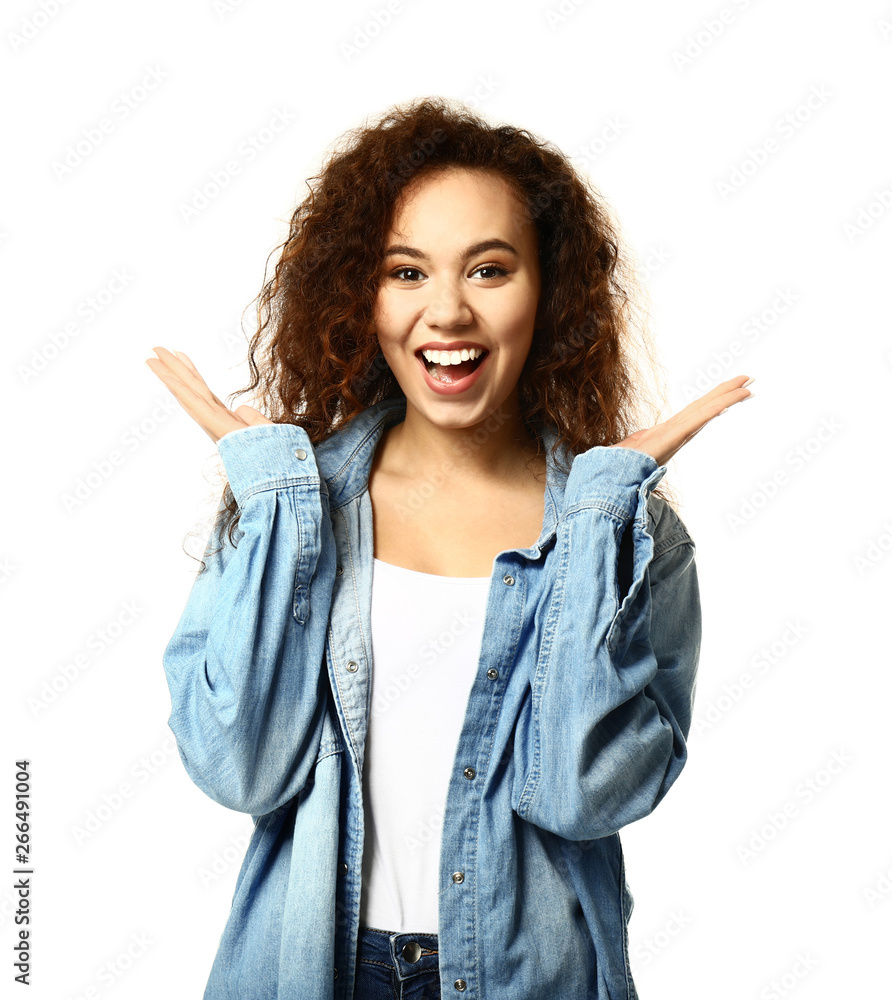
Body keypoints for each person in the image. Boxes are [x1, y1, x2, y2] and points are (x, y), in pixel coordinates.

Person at [146, 97, 752, 1000]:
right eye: (406, 271)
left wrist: (594, 523)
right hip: (312, 970)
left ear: (549, 293)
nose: (448, 311)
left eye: (490, 270)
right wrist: (274, 497)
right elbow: (241, 768)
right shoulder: (298, 507)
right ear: (362, 295)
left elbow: (584, 797)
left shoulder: (628, 537)